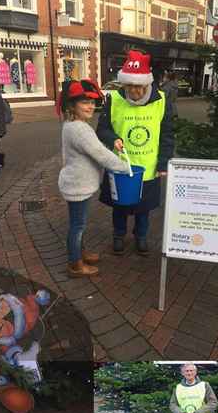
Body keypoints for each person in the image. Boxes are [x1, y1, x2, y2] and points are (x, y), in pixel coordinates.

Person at [97, 50, 175, 256]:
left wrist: (163, 163)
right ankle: (119, 235)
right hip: (120, 166)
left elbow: (167, 134)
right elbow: (102, 129)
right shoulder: (113, 99)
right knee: (120, 206)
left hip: (148, 168)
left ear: (147, 84)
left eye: (139, 87)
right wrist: (112, 138)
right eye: (130, 86)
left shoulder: (162, 100)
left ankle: (141, 236)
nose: (134, 92)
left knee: (143, 208)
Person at [57, 79, 130, 277]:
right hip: (78, 185)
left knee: (78, 223)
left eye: (92, 102)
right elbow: (100, 154)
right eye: (85, 102)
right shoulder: (79, 129)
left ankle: (80, 253)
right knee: (77, 226)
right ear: (73, 105)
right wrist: (125, 168)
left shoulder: (74, 124)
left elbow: (94, 151)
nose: (91, 106)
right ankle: (75, 264)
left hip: (77, 182)